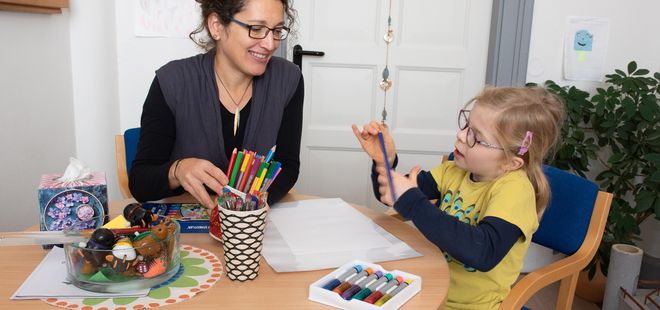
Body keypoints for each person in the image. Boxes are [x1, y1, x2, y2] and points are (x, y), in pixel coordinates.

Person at [352, 86, 565, 309]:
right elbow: (391, 195)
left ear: (510, 162)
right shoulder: (453, 170)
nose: (461, 136)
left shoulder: (515, 191)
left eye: (477, 137)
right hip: (427, 286)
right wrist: (383, 160)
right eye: (466, 125)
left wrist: (413, 201)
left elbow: (483, 252)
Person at [129, 0, 303, 208]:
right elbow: (140, 183)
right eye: (256, 29)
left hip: (253, 223)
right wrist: (178, 170)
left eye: (276, 30)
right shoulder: (172, 82)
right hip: (189, 231)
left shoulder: (288, 79)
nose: (270, 44)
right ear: (217, 26)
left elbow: (287, 166)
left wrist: (246, 209)